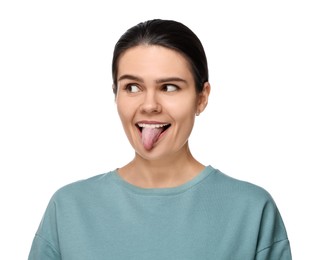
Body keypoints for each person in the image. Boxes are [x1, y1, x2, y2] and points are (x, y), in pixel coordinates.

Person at [28, 19, 292, 259]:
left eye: (169, 87)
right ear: (115, 94)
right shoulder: (68, 209)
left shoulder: (252, 210)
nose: (149, 105)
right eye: (133, 87)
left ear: (202, 97)